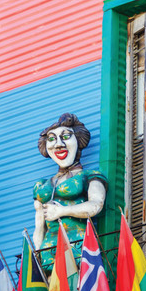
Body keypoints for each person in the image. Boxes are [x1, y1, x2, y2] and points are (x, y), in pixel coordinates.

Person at [32, 113, 107, 275]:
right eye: (52, 139)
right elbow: (39, 226)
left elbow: (96, 205)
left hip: (79, 250)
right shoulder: (41, 186)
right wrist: (36, 253)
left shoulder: (89, 176)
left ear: (78, 141)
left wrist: (61, 211)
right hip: (48, 254)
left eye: (65, 137)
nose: (58, 144)